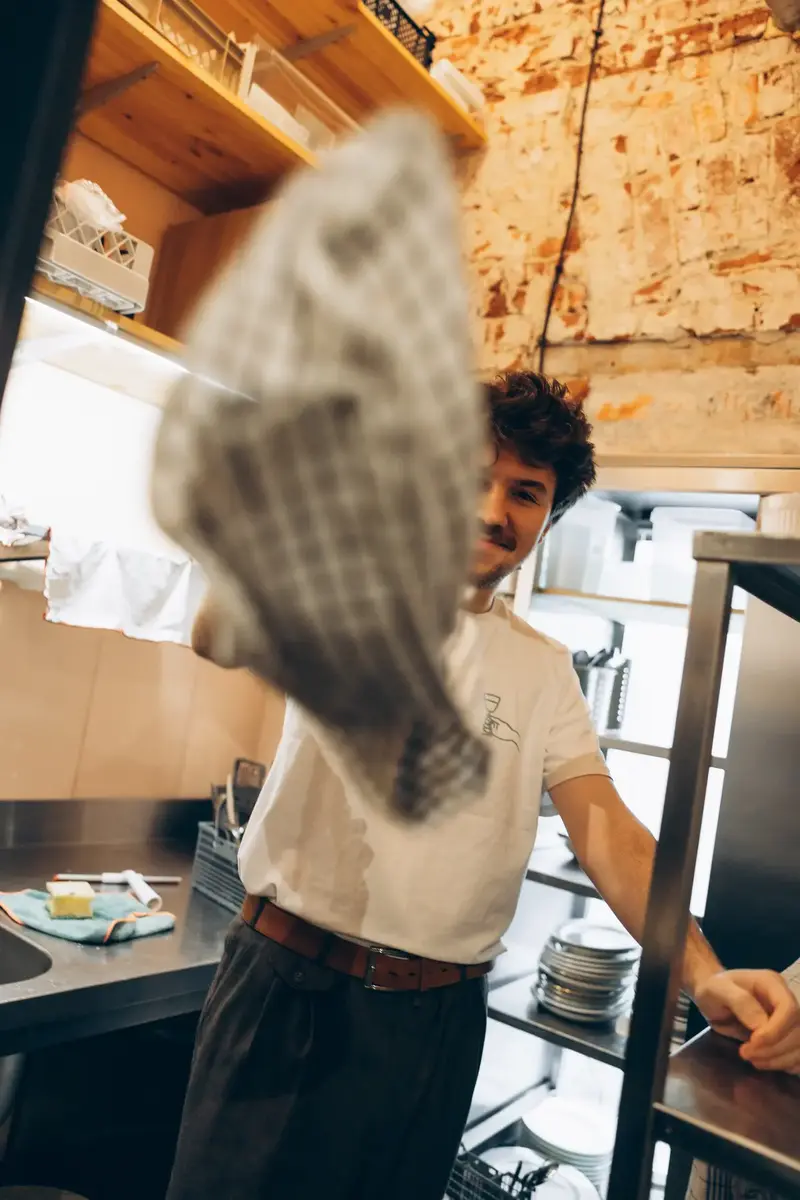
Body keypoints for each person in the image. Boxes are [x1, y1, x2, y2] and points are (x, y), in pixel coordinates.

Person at [167, 371, 800, 1200]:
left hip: (435, 1027)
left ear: (549, 513)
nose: (494, 511)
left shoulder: (545, 671)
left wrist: (704, 973)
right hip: (290, 991)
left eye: (527, 492)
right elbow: (216, 635)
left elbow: (605, 828)